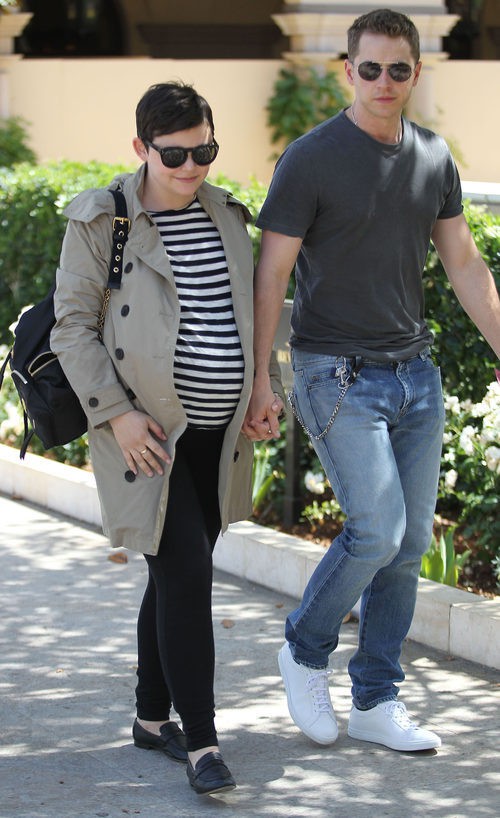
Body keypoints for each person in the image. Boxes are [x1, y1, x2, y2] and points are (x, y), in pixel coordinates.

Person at [243, 8, 500, 753]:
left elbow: (464, 264)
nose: (384, 82)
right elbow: (272, 274)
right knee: (377, 528)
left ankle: (376, 699)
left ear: (417, 72)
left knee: (411, 539)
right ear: (347, 71)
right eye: (369, 68)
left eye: (398, 69)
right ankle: (303, 646)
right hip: (336, 373)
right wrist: (263, 378)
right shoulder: (312, 157)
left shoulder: (432, 156)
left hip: (414, 373)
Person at [51, 82, 283, 795]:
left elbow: (249, 314)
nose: (191, 167)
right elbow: (71, 327)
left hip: (220, 433)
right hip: (147, 434)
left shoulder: (227, 214)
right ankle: (203, 744)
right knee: (186, 570)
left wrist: (262, 387)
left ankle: (152, 721)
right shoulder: (104, 218)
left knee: (172, 567)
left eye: (204, 151)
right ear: (141, 148)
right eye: (174, 154)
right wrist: (117, 416)